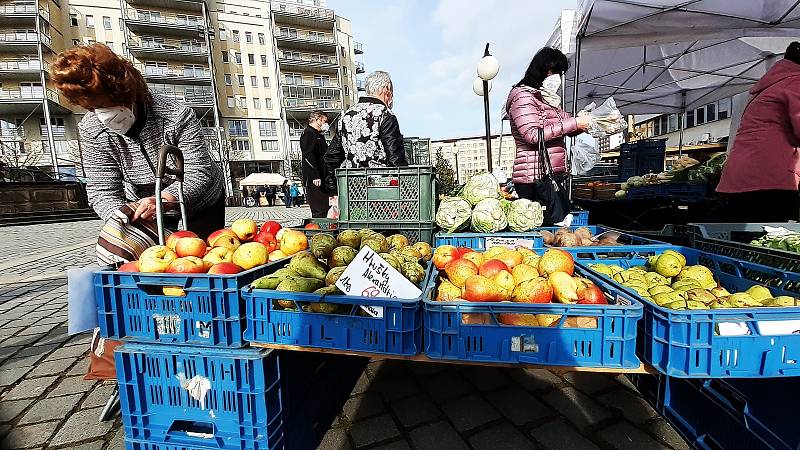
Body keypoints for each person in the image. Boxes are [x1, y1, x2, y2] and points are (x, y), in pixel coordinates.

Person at [52, 44, 224, 239]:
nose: (101, 115)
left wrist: (163, 199)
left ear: (124, 93)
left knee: (205, 253)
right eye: (91, 109)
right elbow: (102, 191)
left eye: (103, 105)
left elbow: (197, 172)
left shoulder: (176, 115)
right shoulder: (92, 130)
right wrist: (126, 217)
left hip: (201, 198)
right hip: (142, 206)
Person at [716, 41, 800, 222]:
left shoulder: (769, 85)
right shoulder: (796, 81)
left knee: (746, 241)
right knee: (773, 238)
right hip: (769, 178)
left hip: (738, 177)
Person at [505, 47, 590, 212]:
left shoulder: (545, 99)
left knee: (556, 231)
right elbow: (532, 135)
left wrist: (584, 123)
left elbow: (563, 124)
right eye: (556, 72)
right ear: (544, 70)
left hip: (550, 176)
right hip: (533, 179)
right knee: (544, 230)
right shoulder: (523, 97)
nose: (559, 78)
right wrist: (575, 123)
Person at [324, 71, 407, 192]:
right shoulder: (384, 115)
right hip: (381, 189)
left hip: (353, 189)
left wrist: (333, 191)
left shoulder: (346, 116)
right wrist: (404, 189)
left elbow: (331, 157)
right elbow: (395, 159)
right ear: (386, 89)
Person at [301, 110, 330, 217]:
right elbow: (308, 156)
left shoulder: (318, 135)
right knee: (319, 208)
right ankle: (319, 230)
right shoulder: (309, 133)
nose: (326, 124)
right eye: (324, 121)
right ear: (317, 120)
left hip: (323, 177)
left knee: (326, 207)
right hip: (314, 179)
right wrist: (315, 175)